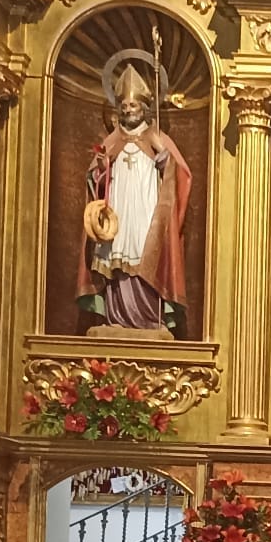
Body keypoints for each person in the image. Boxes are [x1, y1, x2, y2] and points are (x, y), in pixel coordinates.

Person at [78, 58, 193, 336]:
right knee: (116, 257)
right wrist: (100, 170)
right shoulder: (111, 142)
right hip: (119, 213)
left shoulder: (158, 139)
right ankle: (115, 316)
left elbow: (182, 178)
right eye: (125, 106)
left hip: (146, 214)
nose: (129, 110)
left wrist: (163, 155)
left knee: (145, 255)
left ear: (144, 109)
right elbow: (94, 181)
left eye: (134, 106)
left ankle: (149, 319)